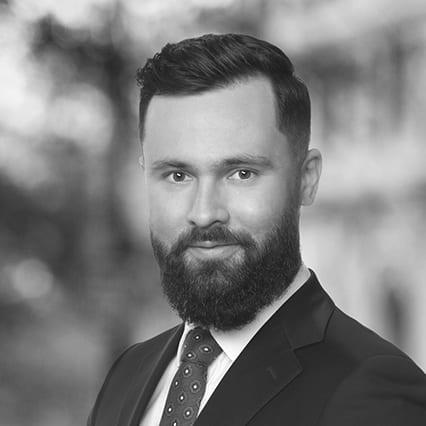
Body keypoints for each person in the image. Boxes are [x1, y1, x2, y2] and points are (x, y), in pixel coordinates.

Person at [88, 33, 426, 426]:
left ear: (306, 179)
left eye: (242, 173)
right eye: (178, 175)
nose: (204, 213)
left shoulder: (373, 393)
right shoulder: (129, 373)